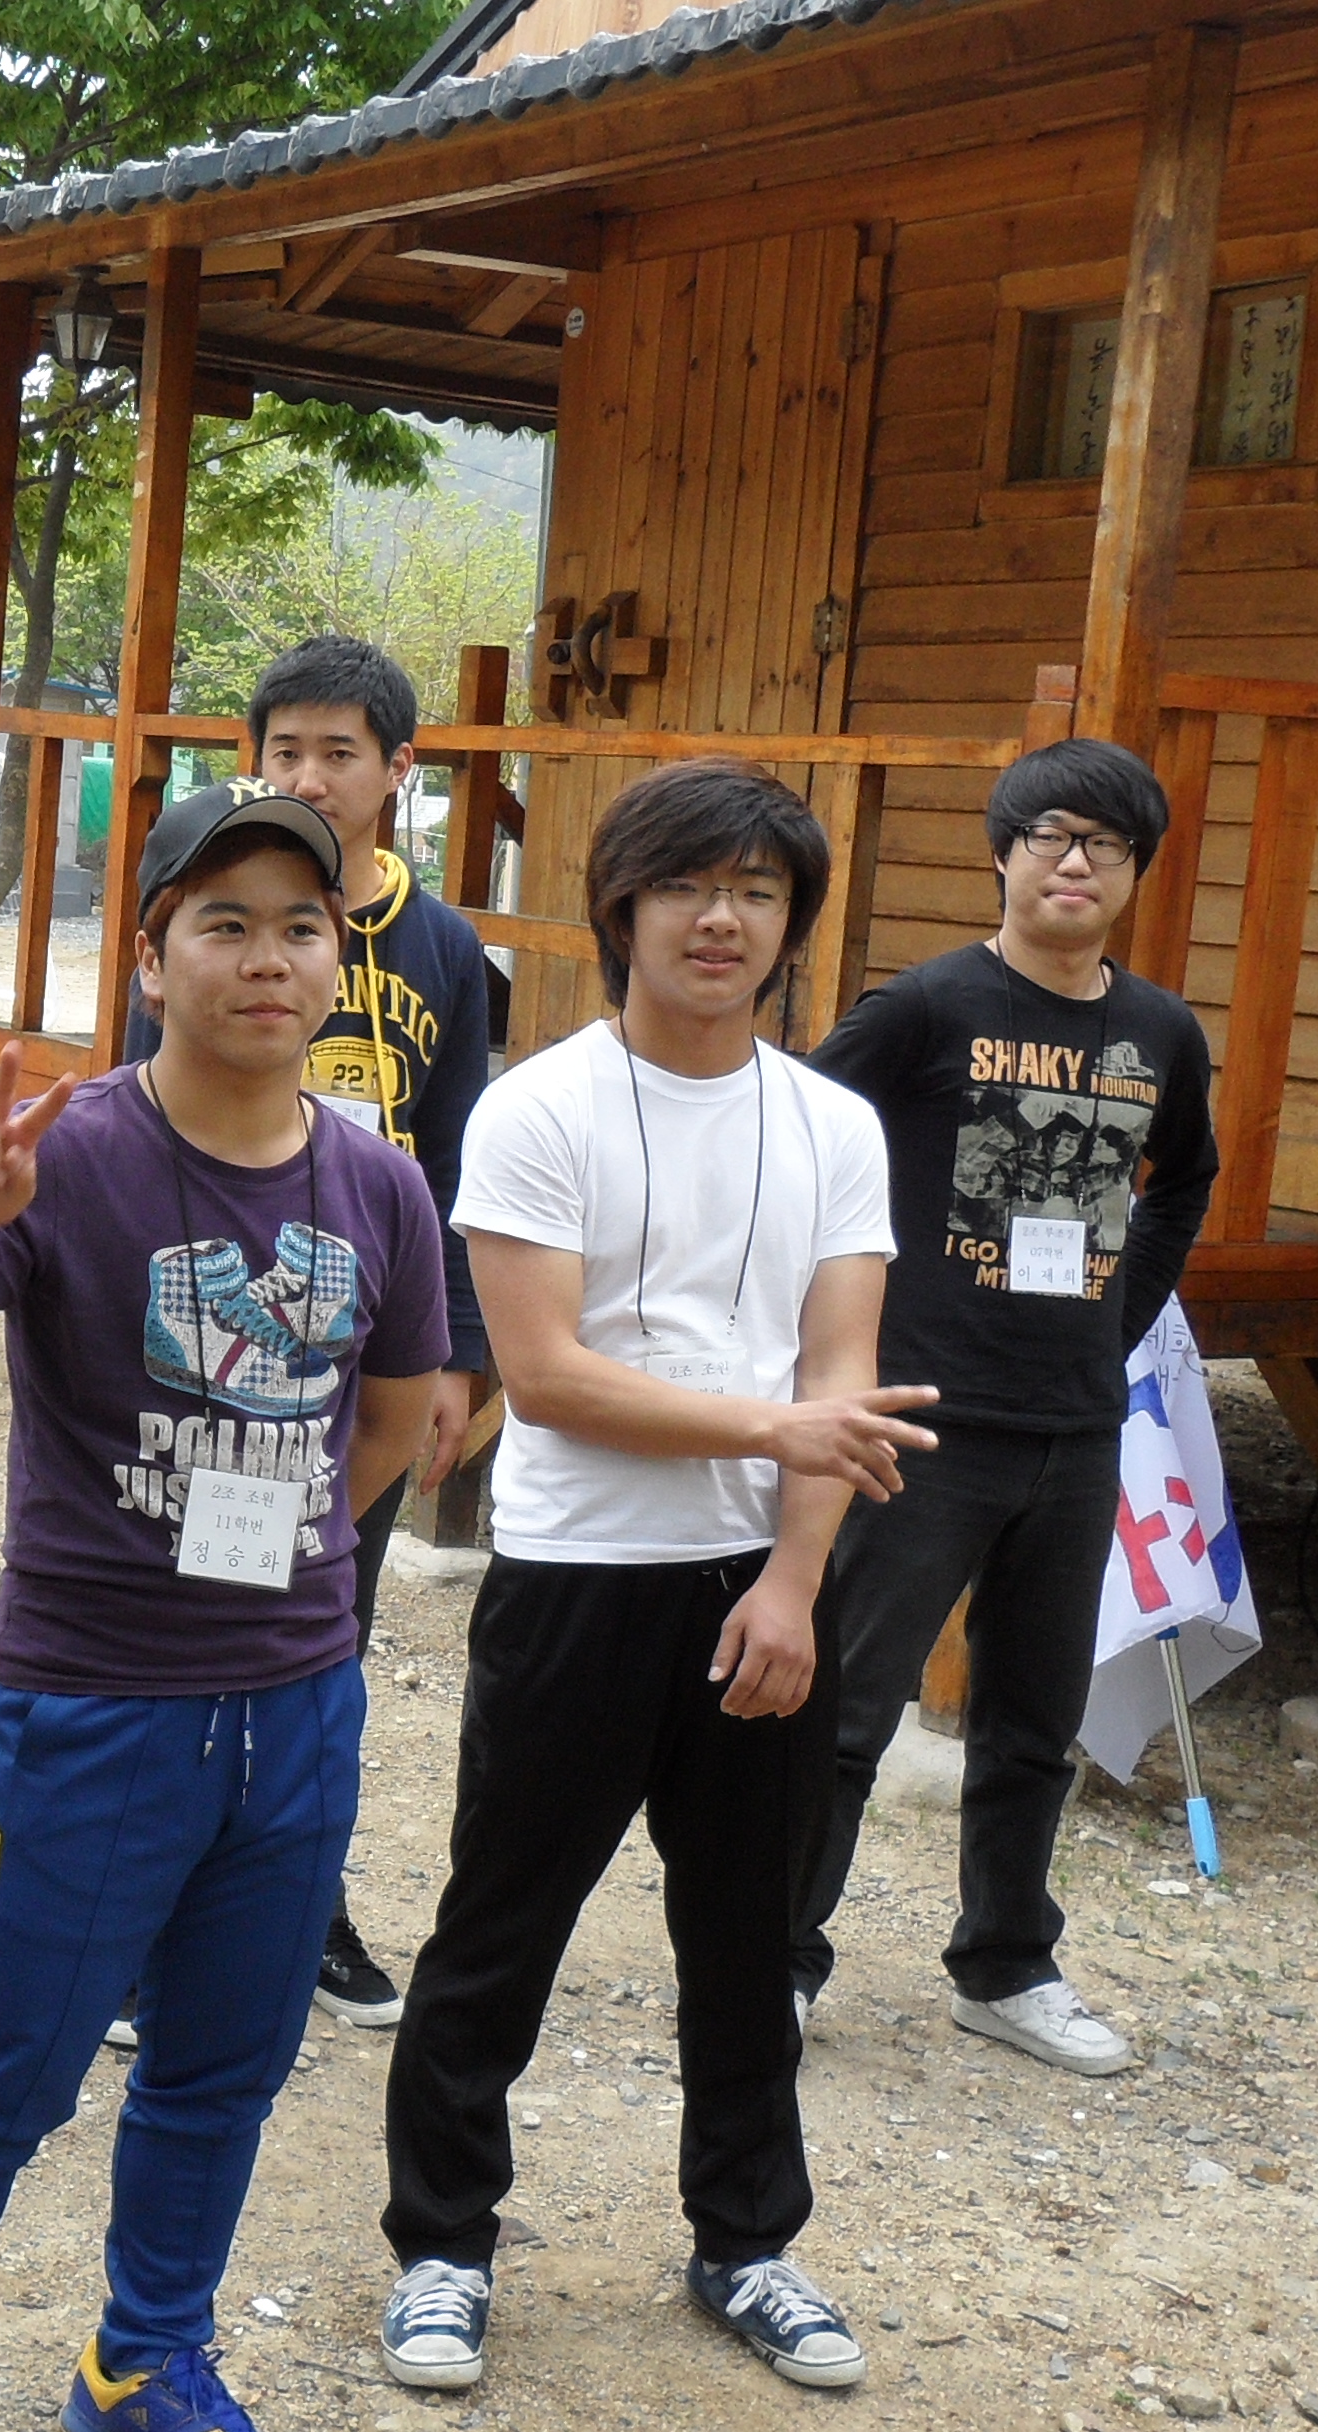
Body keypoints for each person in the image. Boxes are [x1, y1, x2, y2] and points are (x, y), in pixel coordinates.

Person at [0, 784, 445, 2432]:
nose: (267, 958)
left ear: (337, 961)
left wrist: (285, 1560)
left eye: (301, 926)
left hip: (297, 1708)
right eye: (223, 924)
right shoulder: (73, 1153)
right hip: (91, 1710)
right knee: (3, 2075)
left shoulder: (379, 1185)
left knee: (222, 2070)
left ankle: (142, 2356)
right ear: (153, 958)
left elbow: (396, 1415)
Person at [372, 759, 920, 2397]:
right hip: (580, 1576)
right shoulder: (539, 1107)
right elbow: (547, 1378)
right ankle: (443, 2246)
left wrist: (797, 1581)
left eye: (757, 890)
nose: (721, 918)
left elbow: (844, 1369)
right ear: (624, 906)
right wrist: (775, 1427)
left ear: (792, 925)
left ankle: (747, 2241)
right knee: (501, 1922)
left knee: (747, 1937)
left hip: (761, 1582)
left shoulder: (833, 1125)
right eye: (688, 884)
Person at [791, 737, 1219, 2075]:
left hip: (1076, 1426)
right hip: (923, 1414)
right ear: (1004, 854)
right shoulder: (926, 1007)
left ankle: (1007, 1965)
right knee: (847, 1709)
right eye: (1051, 835)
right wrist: (843, 1326)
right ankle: (775, 1960)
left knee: (1035, 1720)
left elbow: (1184, 1180)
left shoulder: (1161, 1032)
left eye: (1106, 843)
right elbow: (801, 1136)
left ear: (1137, 870)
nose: (1075, 861)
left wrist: (1119, 1317)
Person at [119, 634, 489, 2033]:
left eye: (341, 753)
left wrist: (457, 1353)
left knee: (324, 1620)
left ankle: (298, 1905)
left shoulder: (444, 948)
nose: (312, 776)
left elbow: (457, 1157)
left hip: (362, 1343)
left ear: (400, 770)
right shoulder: (210, 911)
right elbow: (138, 1103)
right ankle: (137, 1914)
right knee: (176, 1613)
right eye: (286, 751)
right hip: (213, 1323)